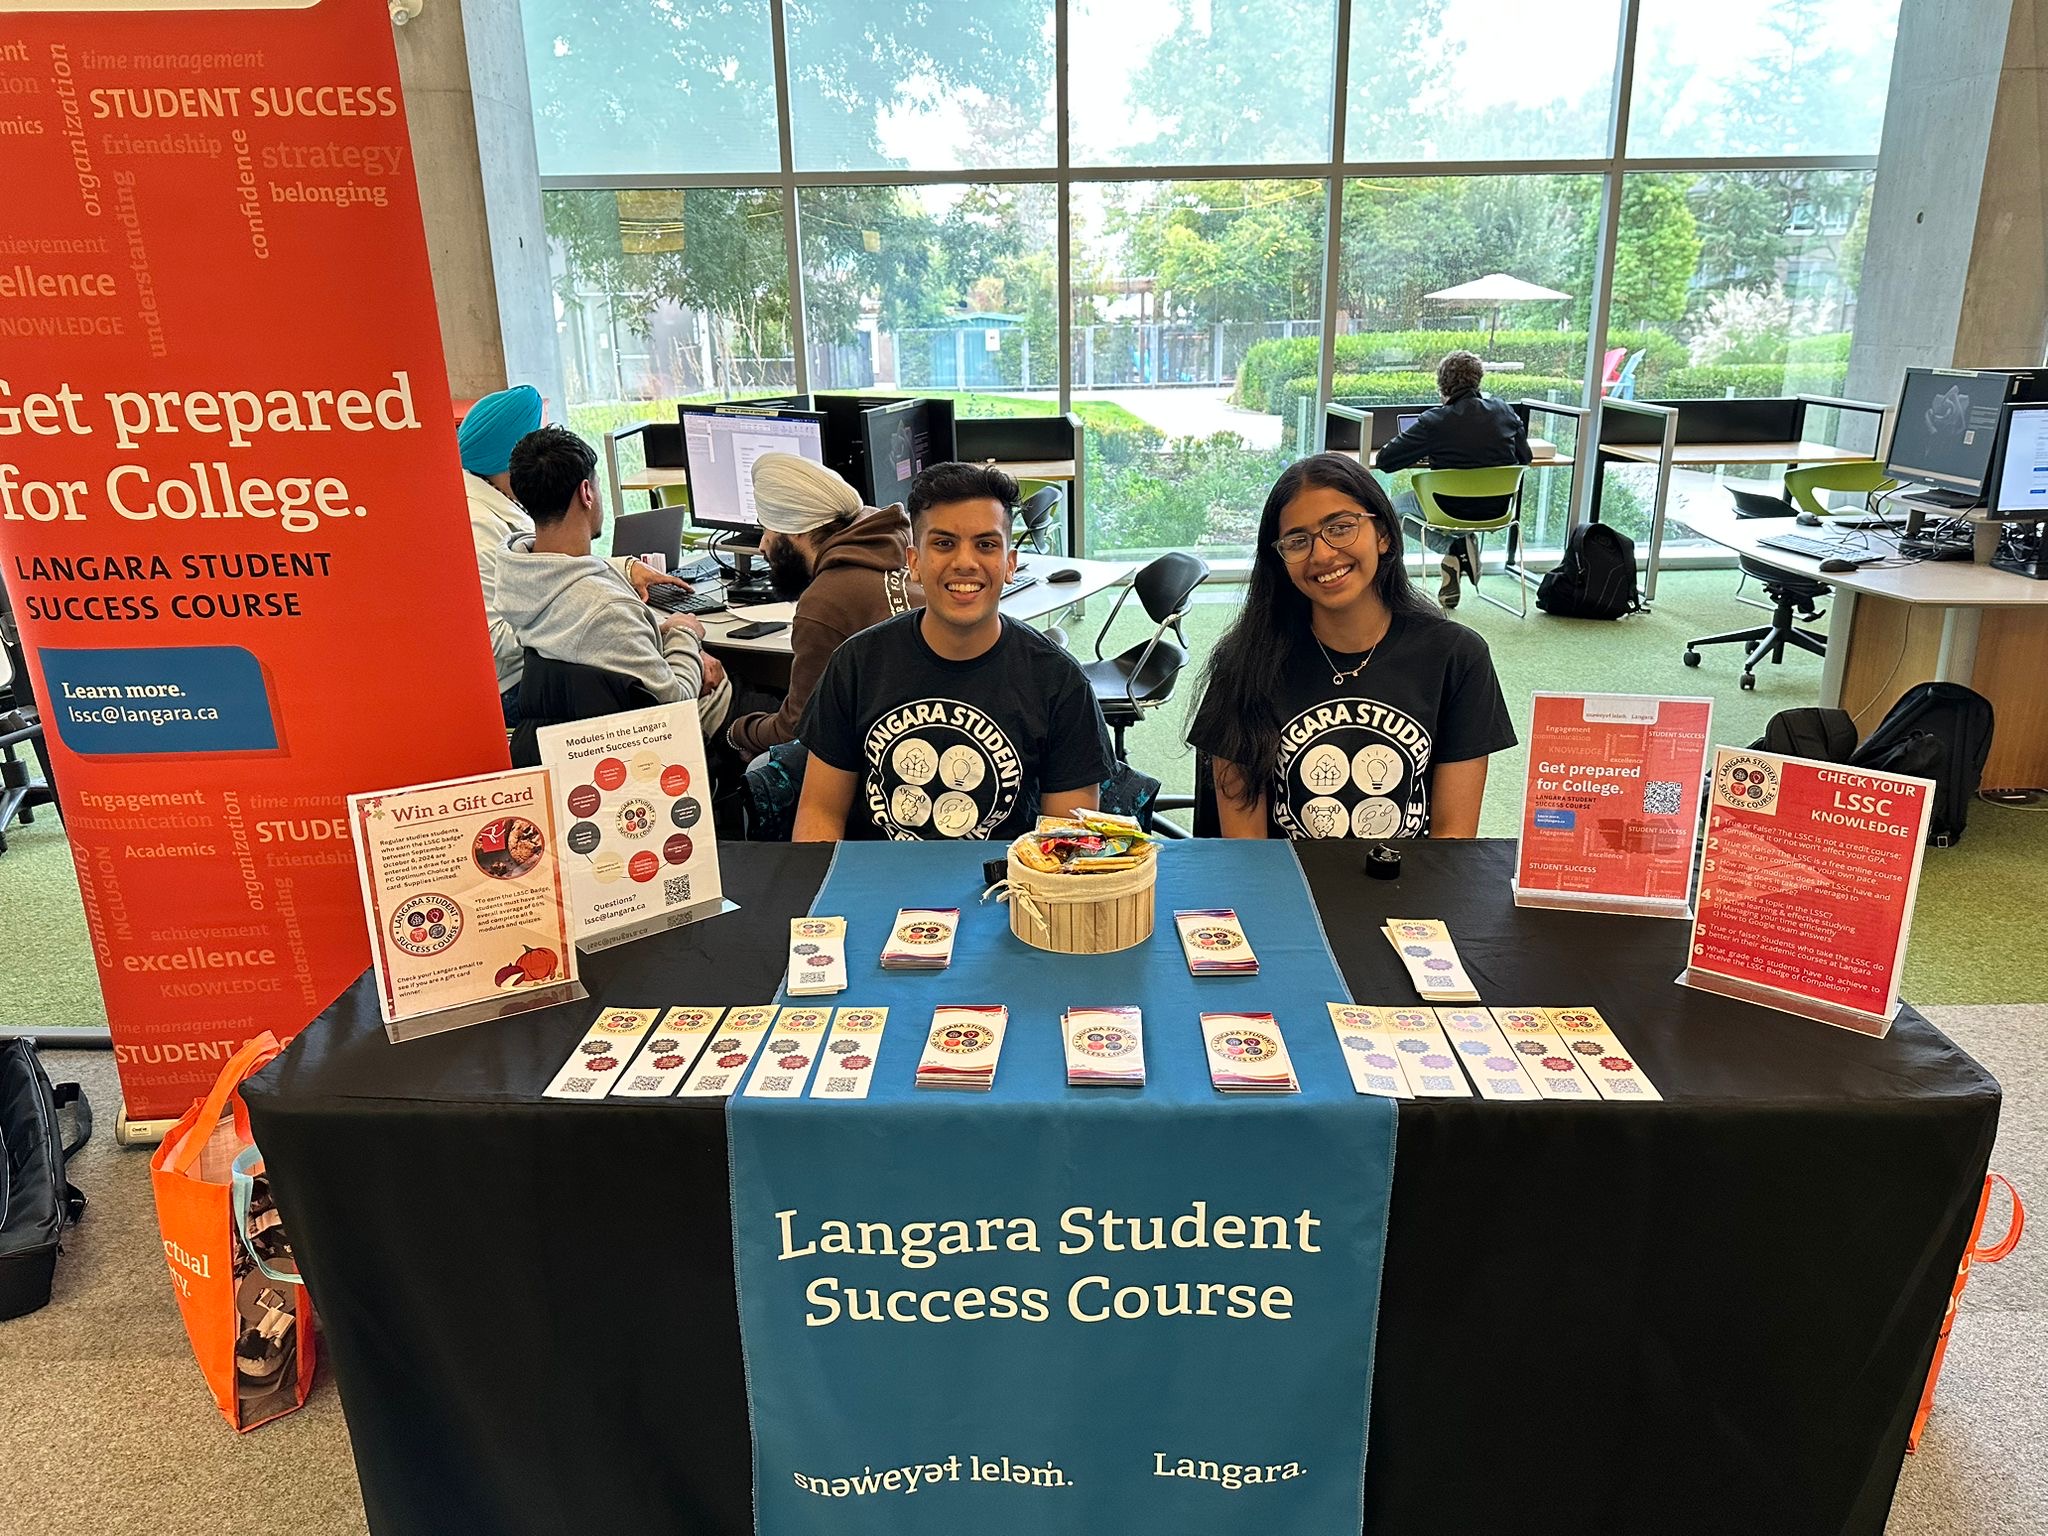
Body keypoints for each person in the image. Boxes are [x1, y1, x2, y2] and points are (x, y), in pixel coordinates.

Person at [1187, 452, 1515, 840]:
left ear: (1383, 535)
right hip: (1286, 890)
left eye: (1340, 527)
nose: (1322, 554)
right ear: (1281, 560)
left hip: (1408, 892)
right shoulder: (1242, 663)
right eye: (1297, 541)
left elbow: (1453, 839)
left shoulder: (1457, 658)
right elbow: (1246, 852)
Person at [793, 461, 1112, 842]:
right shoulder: (857, 663)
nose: (964, 563)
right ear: (913, 562)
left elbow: (1067, 844)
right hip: (877, 884)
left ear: (1010, 564)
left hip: (1004, 888)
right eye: (944, 544)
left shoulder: (1058, 681)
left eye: (986, 545)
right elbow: (819, 814)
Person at [458, 386, 692, 726]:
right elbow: (497, 641)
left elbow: (542, 570)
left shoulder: (511, 527)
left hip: (553, 686)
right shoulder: (477, 526)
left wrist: (623, 569)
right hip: (518, 692)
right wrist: (592, 619)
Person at [498, 426, 730, 739]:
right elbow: (675, 704)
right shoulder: (606, 608)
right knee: (753, 688)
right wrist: (684, 634)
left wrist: (650, 630)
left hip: (583, 740)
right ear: (586, 492)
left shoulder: (519, 573)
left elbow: (597, 639)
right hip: (653, 743)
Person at [724, 453, 922, 758]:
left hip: (870, 757)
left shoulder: (824, 601)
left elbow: (797, 731)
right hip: (918, 735)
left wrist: (736, 732)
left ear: (797, 529)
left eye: (767, 529)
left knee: (738, 708)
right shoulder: (896, 549)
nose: (762, 545)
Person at [1373, 350, 1532, 608]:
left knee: (1390, 511)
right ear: (1478, 381)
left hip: (1448, 510)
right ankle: (1458, 549)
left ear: (1441, 386)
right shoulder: (1504, 412)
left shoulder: (1435, 421)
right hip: (1498, 509)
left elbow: (1386, 461)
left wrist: (1426, 448)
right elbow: (1525, 457)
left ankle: (1452, 547)